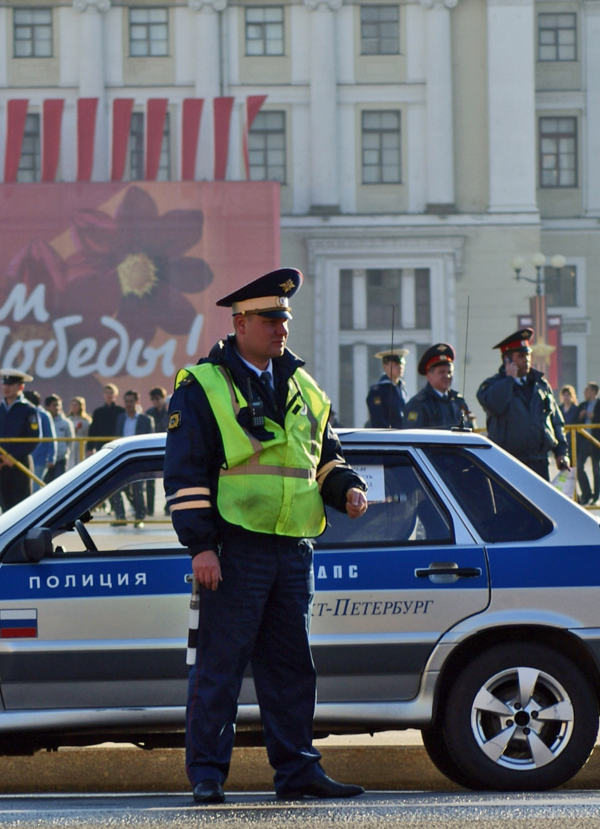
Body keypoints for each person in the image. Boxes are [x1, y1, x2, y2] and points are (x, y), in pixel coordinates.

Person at [165, 267, 367, 805]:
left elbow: (326, 458)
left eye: (286, 319)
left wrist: (346, 488)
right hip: (236, 547)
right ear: (240, 323)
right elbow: (186, 475)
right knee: (220, 667)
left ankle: (298, 772)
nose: (282, 328)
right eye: (271, 318)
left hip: (294, 547)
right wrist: (201, 545)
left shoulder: (305, 386)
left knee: (292, 669)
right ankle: (207, 775)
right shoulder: (204, 385)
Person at [476, 329, 569, 481]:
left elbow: (555, 421)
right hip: (509, 461)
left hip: (539, 461)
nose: (526, 359)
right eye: (520, 356)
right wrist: (509, 380)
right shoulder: (493, 385)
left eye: (528, 354)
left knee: (538, 504)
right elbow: (493, 405)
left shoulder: (541, 385)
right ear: (507, 360)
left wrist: (561, 453)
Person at [0, 369, 41, 511]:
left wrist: (14, 457)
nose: (6, 388)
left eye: (11, 384)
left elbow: (34, 439)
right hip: (2, 465)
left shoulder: (29, 410)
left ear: (21, 387)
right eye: (5, 384)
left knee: (21, 507)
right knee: (4, 505)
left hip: (19, 464)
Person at [403, 343, 473, 430]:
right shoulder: (418, 404)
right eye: (441, 372)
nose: (447, 376)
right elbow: (413, 437)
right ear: (429, 375)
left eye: (449, 372)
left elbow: (469, 430)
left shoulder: (458, 401)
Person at [110, 389, 155, 527]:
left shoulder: (146, 420)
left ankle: (139, 518)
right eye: (126, 401)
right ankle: (120, 517)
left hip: (138, 459)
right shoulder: (120, 418)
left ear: (137, 402)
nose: (129, 404)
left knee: (138, 489)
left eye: (131, 401)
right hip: (122, 458)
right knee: (114, 487)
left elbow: (150, 440)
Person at [572, 383, 600, 506]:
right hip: (583, 440)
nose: (585, 392)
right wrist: (580, 416)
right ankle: (586, 493)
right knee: (579, 466)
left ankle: (596, 497)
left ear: (594, 392)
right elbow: (575, 422)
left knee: (596, 469)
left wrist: (594, 416)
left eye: (588, 390)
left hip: (596, 440)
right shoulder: (582, 406)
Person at [365, 349, 409, 428]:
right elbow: (378, 419)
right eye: (396, 364)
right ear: (385, 366)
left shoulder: (402, 388)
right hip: (388, 436)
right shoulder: (377, 391)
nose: (400, 367)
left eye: (402, 364)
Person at [42, 395, 73, 482]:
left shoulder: (66, 423)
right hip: (46, 460)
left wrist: (65, 452)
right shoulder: (43, 422)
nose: (57, 408)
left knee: (60, 483)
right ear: (47, 407)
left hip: (60, 459)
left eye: (58, 405)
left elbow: (70, 441)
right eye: (54, 405)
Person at [87, 383, 124, 454]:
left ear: (116, 395)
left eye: (111, 393)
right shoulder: (98, 412)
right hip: (101, 444)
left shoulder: (121, 411)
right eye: (107, 393)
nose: (109, 395)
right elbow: (93, 430)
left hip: (117, 443)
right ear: (103, 395)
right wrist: (90, 447)